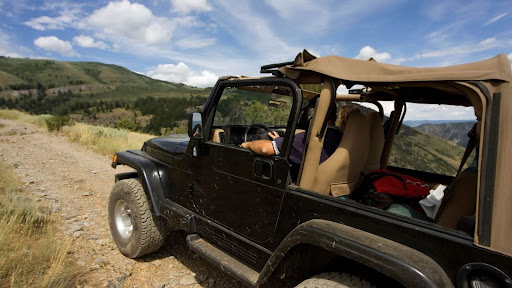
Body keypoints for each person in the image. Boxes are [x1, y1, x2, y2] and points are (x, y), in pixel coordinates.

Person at [241, 105, 359, 178]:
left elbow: (265, 149)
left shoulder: (316, 139)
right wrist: (279, 140)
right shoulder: (343, 138)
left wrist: (247, 144)